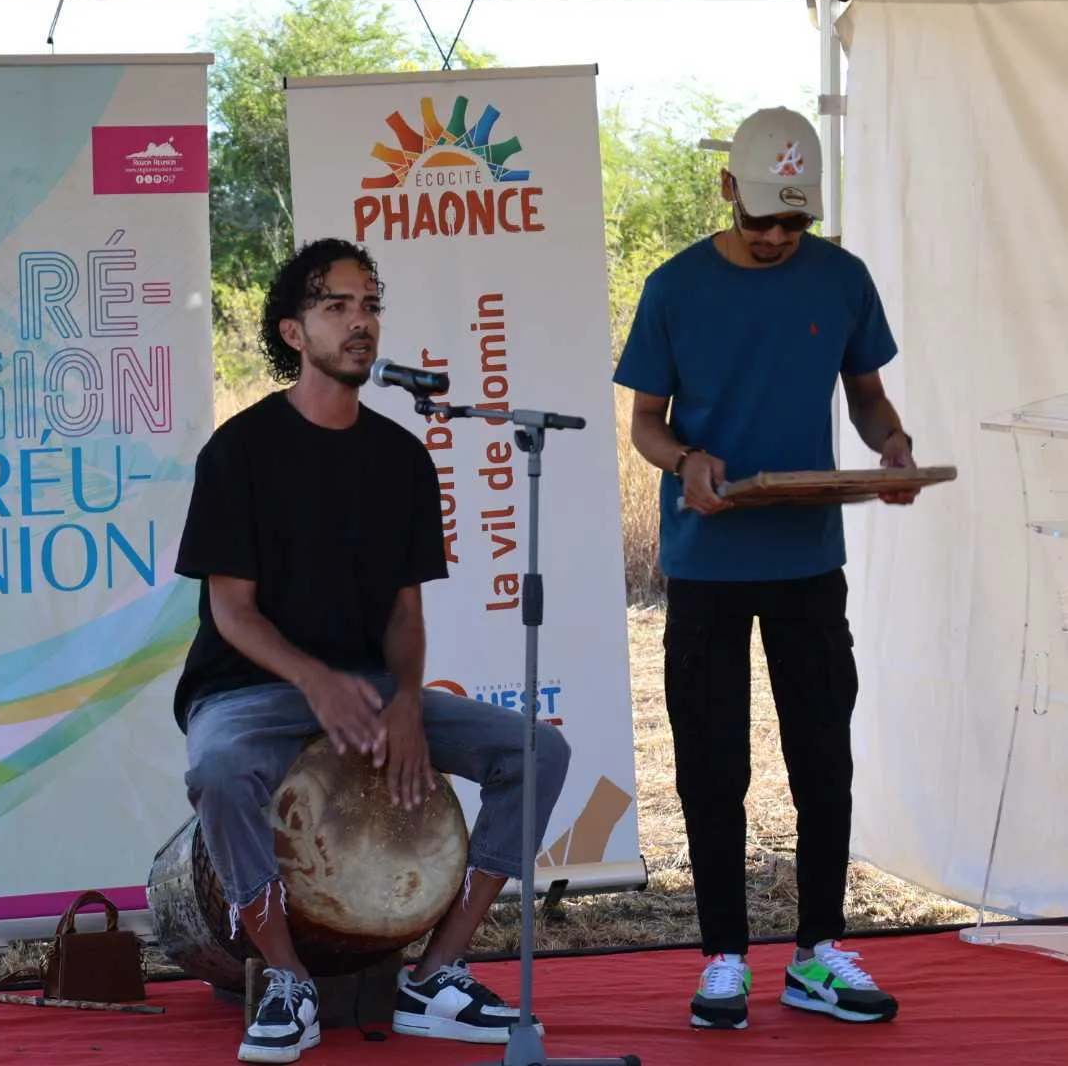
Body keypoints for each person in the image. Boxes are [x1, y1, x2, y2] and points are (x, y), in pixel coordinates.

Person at [172, 237, 573, 1063]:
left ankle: (438, 972)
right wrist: (315, 681)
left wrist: (407, 701)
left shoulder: (402, 458)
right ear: (293, 332)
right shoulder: (240, 451)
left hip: (368, 688)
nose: (360, 322)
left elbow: (404, 613)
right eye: (337, 306)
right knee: (218, 768)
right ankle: (286, 980)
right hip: (250, 689)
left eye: (369, 306)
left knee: (538, 753)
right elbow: (231, 612)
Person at [613, 107, 912, 1032]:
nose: (778, 237)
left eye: (796, 221)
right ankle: (723, 959)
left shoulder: (842, 279)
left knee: (823, 757)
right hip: (707, 562)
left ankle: (818, 951)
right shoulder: (674, 288)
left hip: (808, 559)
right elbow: (646, 423)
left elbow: (867, 398)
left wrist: (894, 446)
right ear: (726, 191)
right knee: (712, 766)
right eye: (762, 219)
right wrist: (685, 462)